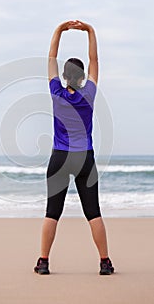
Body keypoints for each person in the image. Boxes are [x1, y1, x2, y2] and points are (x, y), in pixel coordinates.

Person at [34, 20, 115, 275]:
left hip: (59, 157)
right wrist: (90, 31)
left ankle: (44, 262)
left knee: (52, 213)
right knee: (93, 213)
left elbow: (51, 57)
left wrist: (58, 30)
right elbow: (95, 61)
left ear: (64, 76)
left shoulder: (56, 91)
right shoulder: (88, 93)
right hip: (84, 159)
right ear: (81, 78)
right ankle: (105, 263)